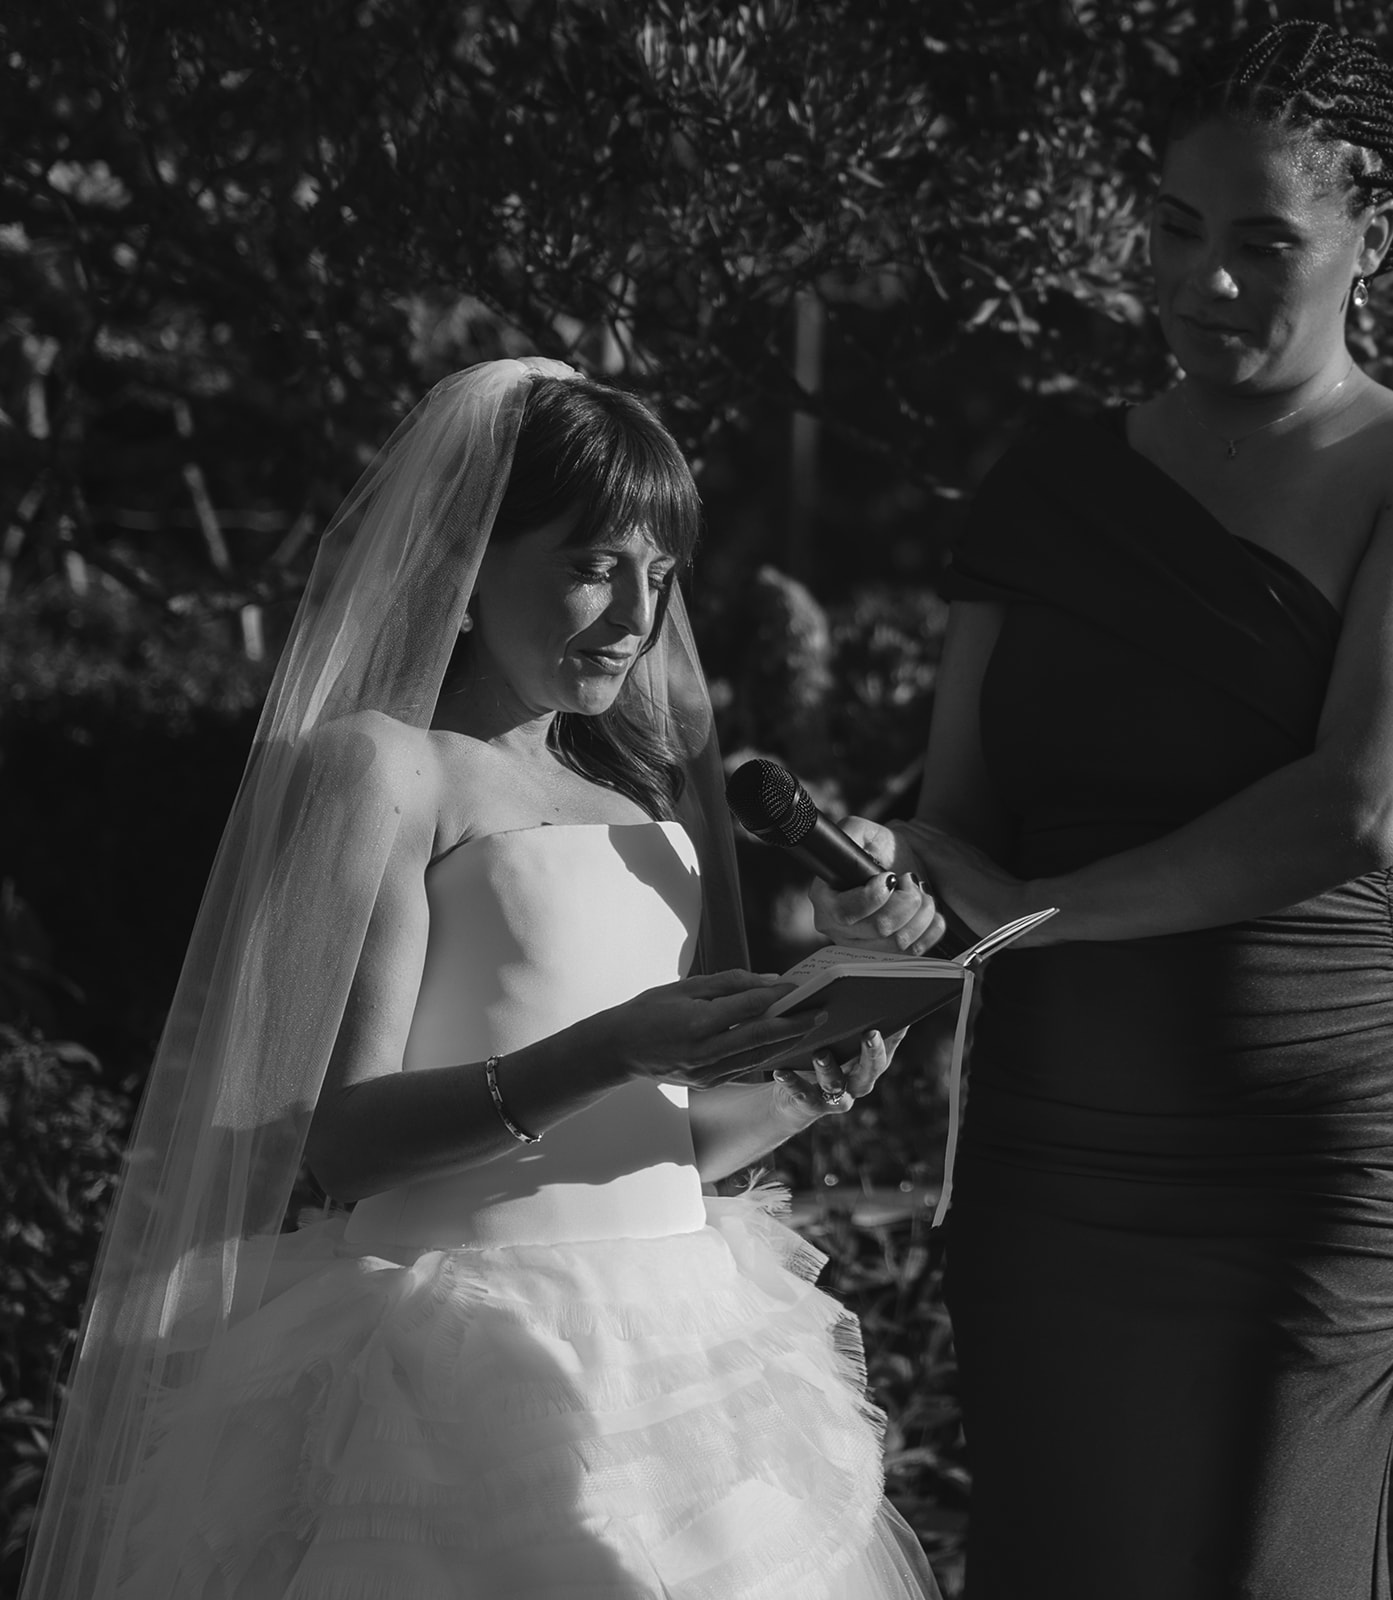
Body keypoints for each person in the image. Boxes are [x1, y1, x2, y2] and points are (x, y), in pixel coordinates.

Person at [19, 359, 940, 1599]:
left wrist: (801, 1086)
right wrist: (612, 1046)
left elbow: (651, 1151)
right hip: (450, 1368)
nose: (635, 616)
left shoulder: (638, 802)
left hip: (681, 1356)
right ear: (464, 561)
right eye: (591, 563)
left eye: (660, 575)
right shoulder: (387, 772)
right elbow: (336, 1148)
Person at [812, 20, 1393, 1600]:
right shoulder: (1043, 485)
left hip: (1310, 1165)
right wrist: (893, 881)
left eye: (1263, 242)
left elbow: (1353, 811)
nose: (1204, 284)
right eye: (1174, 229)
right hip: (1050, 1165)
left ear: (1369, 240)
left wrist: (1034, 907)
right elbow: (957, 821)